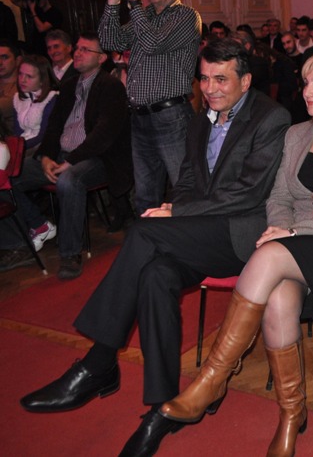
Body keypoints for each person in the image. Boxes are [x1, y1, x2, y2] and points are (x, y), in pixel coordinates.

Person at [19, 38, 290, 456]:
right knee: (155, 275)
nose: (210, 88)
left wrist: (177, 213)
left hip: (241, 236)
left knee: (144, 233)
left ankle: (98, 363)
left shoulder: (271, 117)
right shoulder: (201, 117)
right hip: (197, 230)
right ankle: (163, 407)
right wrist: (174, 206)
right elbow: (187, 178)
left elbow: (249, 193)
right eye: (204, 78)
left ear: (246, 80)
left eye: (221, 79)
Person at [159, 52, 313, 456]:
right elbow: (278, 196)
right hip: (293, 241)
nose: (308, 91)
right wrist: (281, 226)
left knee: (266, 255)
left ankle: (213, 378)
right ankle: (292, 414)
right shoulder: (296, 134)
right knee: (279, 298)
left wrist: (291, 231)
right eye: (306, 82)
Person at [3, 33, 130, 278]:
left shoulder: (110, 86)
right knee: (8, 175)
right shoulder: (69, 86)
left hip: (99, 158)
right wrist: (46, 157)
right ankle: (24, 238)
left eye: (86, 50)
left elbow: (103, 135)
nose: (78, 53)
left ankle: (70, 253)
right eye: (78, 48)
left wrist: (70, 161)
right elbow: (53, 127)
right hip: (62, 154)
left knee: (69, 181)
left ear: (101, 58)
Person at [98, 0, 202, 214]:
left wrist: (133, 2)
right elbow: (109, 41)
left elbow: (153, 44)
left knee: (185, 193)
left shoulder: (186, 16)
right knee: (145, 197)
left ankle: (191, 240)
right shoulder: (144, 16)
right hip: (140, 118)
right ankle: (149, 240)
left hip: (172, 117)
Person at [13, 55, 58, 154]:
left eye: (29, 76)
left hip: (40, 147)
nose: (22, 80)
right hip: (22, 144)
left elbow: (43, 135)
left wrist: (19, 147)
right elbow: (17, 131)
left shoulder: (51, 98)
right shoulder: (18, 97)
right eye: (20, 74)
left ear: (42, 81)